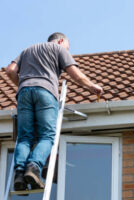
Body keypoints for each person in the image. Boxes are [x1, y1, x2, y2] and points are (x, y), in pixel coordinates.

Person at [6, 32, 103, 191]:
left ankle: (19, 174)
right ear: (61, 41)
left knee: (24, 137)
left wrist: (24, 85)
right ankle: (33, 166)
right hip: (46, 92)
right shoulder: (58, 49)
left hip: (23, 93)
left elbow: (10, 71)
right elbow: (75, 75)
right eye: (68, 47)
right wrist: (92, 86)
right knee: (47, 136)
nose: (68, 50)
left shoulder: (27, 50)